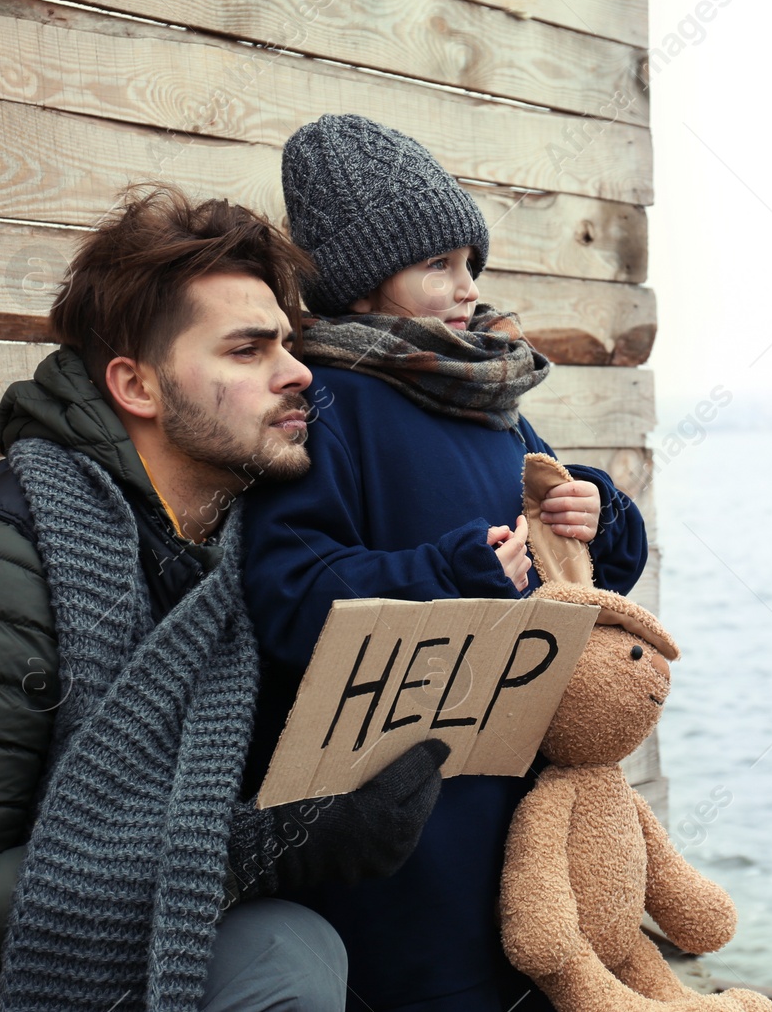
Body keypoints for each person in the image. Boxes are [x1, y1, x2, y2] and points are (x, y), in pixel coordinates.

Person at [0, 185, 448, 1012]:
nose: (299, 371)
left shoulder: (221, 560)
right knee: (285, 952)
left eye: (290, 344)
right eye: (247, 350)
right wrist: (264, 846)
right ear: (137, 385)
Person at [240, 115, 650, 1012]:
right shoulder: (330, 403)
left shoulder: (487, 394)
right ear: (359, 279)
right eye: (438, 265)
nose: (468, 288)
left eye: (472, 262)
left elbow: (584, 571)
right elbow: (284, 595)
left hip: (514, 790)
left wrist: (600, 513)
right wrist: (445, 571)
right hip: (397, 820)